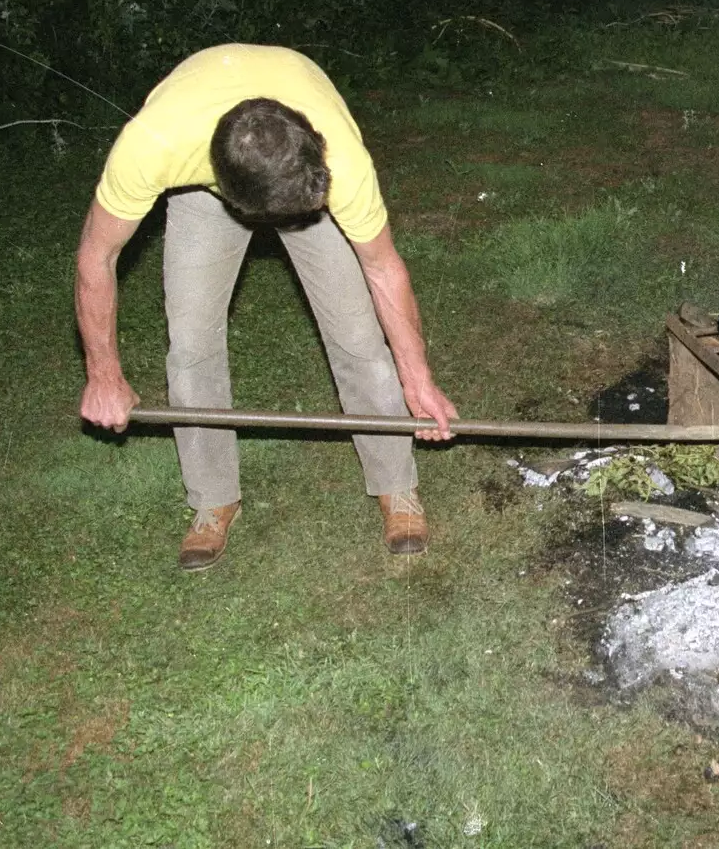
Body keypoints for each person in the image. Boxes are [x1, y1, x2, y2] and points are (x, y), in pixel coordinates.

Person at [75, 44, 457, 570]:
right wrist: (103, 372)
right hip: (204, 179)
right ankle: (213, 499)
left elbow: (384, 268)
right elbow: (98, 255)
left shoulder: (335, 156)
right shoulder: (155, 144)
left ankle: (396, 485)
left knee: (359, 337)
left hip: (299, 170)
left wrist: (418, 379)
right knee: (191, 343)